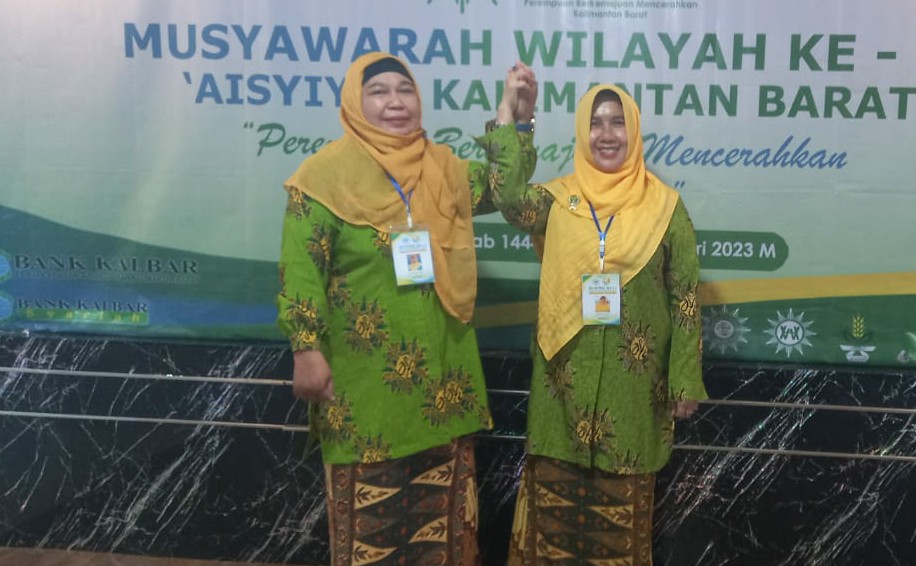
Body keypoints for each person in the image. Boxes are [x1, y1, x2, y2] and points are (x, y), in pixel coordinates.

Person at [276, 52, 537, 566]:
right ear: (355, 102)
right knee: (373, 537)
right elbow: (301, 269)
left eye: (405, 89)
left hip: (442, 384)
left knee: (442, 535)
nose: (395, 101)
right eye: (378, 92)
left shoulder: (440, 167)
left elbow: (506, 194)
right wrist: (306, 348)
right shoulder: (322, 177)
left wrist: (514, 117)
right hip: (366, 390)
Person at [494, 84, 707, 565]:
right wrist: (514, 119)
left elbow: (686, 298)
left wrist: (685, 378)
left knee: (620, 527)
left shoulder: (666, 208)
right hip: (562, 389)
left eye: (617, 122)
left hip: (633, 395)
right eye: (595, 123)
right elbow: (507, 199)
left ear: (634, 130)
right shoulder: (558, 200)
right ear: (581, 132)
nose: (606, 134)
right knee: (554, 524)